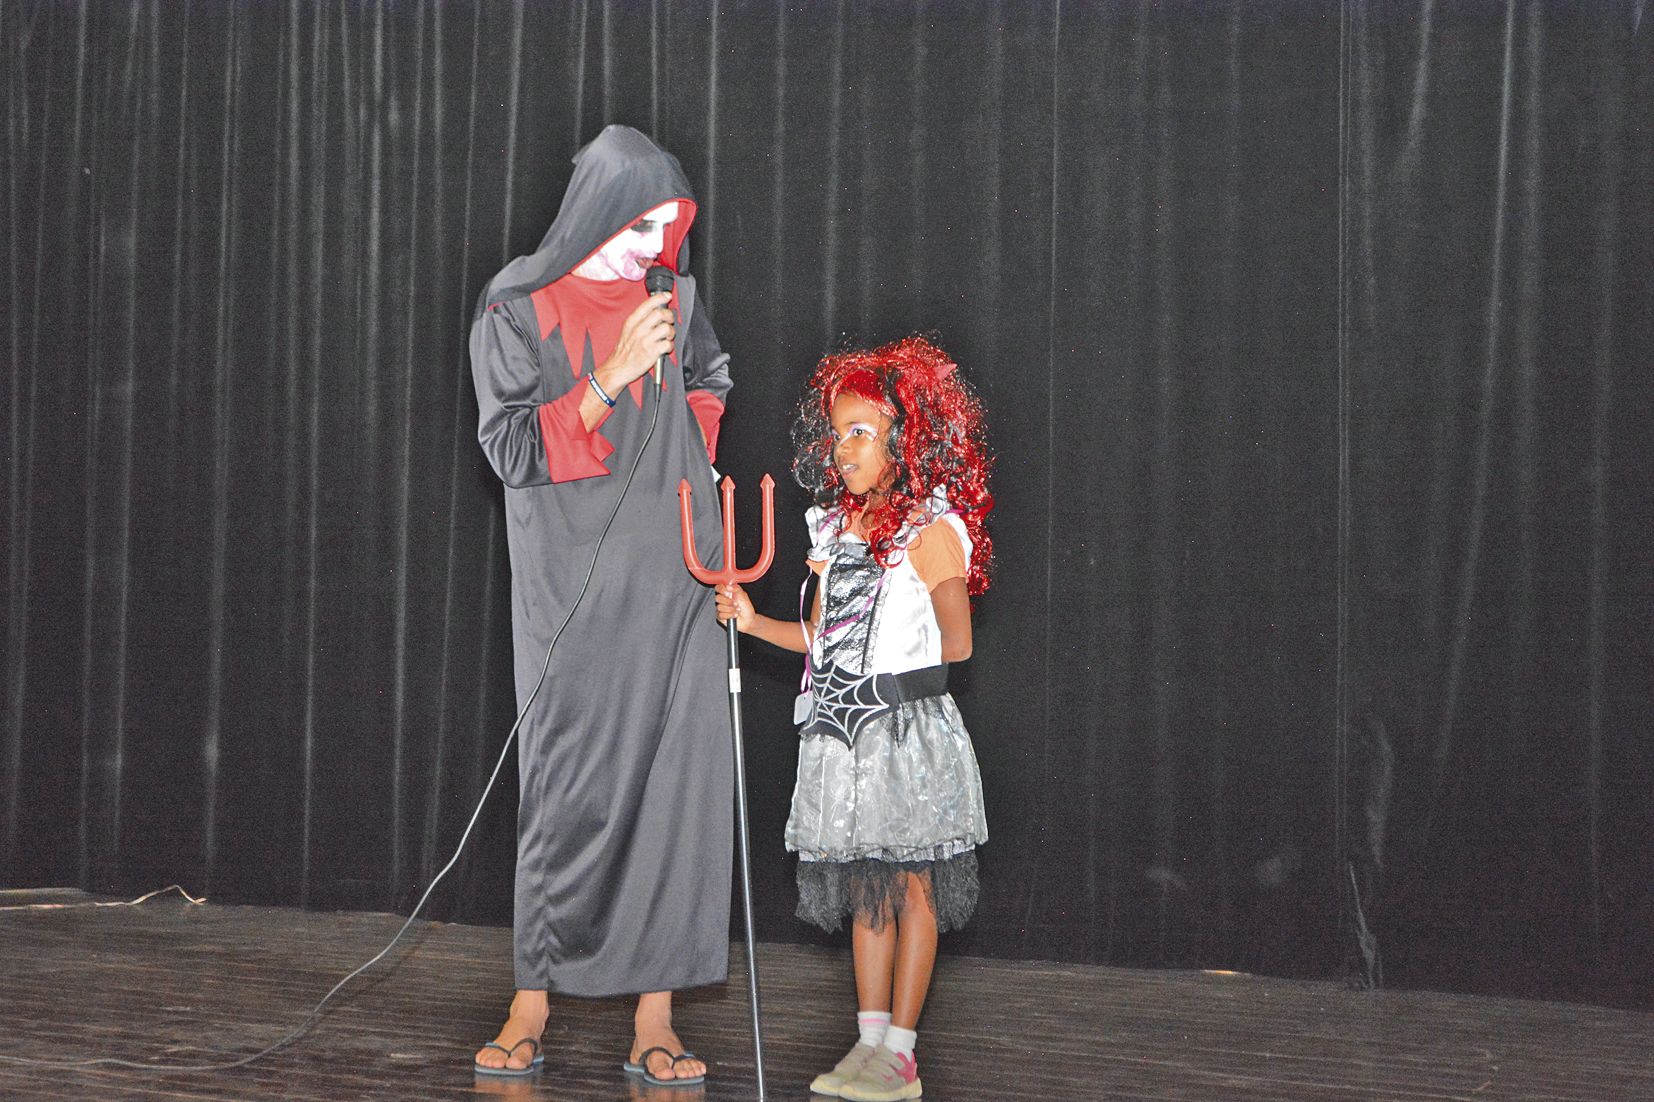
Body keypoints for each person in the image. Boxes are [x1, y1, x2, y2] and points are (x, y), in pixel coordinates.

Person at [467, 125, 733, 1085]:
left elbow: (710, 376)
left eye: (667, 230)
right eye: (637, 227)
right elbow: (510, 448)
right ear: (596, 212)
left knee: (675, 789)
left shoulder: (675, 299)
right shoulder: (516, 304)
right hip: (570, 585)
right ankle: (531, 1001)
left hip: (678, 580)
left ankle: (654, 1019)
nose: (653, 250)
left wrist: (688, 456)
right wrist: (609, 379)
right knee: (565, 786)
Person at [715, 335, 994, 1101]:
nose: (844, 450)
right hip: (846, 741)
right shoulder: (834, 531)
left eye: (862, 432)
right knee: (868, 892)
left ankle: (901, 1053)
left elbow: (958, 644)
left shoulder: (928, 531)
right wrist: (751, 621)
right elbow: (817, 639)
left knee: (912, 888)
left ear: (905, 439)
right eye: (838, 435)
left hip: (906, 733)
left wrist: (890, 675)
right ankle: (868, 1041)